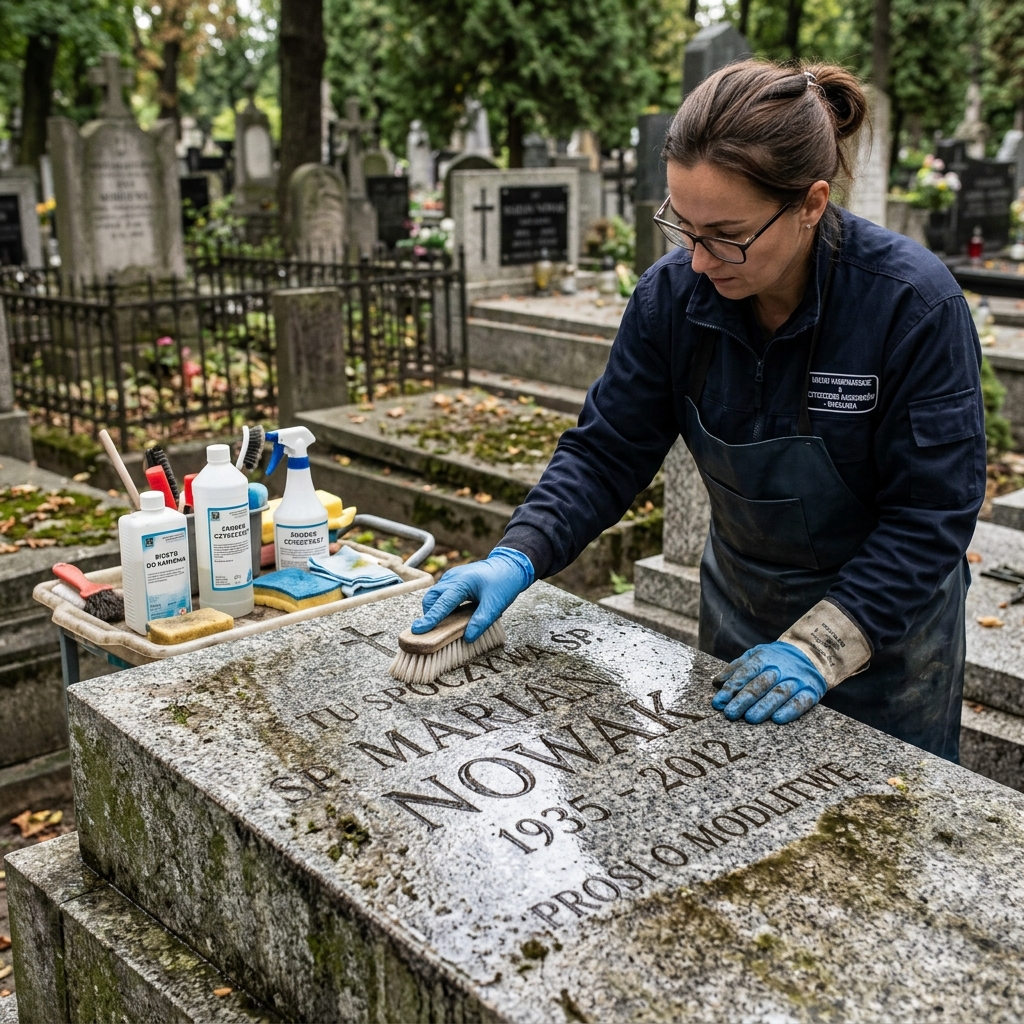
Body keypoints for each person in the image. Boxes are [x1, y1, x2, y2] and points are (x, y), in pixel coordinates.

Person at [411, 60, 985, 762]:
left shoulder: (912, 307)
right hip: (742, 613)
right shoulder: (671, 298)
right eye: (684, 226)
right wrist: (518, 552)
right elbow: (606, 451)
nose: (701, 259)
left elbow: (933, 514)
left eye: (725, 234)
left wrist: (821, 645)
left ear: (810, 204)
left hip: (886, 640)